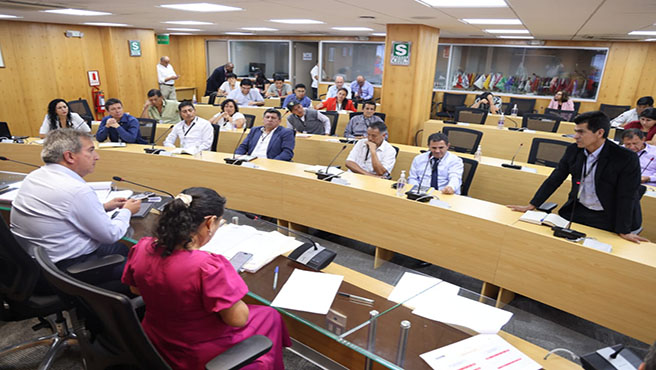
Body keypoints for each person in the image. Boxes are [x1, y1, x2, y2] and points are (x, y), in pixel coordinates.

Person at [121, 187, 291, 370]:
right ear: (209, 222)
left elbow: (135, 289)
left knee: (267, 316)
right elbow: (237, 319)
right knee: (270, 316)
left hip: (155, 341)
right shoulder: (206, 267)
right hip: (197, 354)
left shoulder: (142, 247)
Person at [10, 129, 141, 287]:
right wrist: (127, 211)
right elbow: (111, 234)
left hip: (33, 267)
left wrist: (104, 207)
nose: (97, 157)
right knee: (140, 274)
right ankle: (103, 308)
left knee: (120, 248)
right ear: (69, 156)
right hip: (62, 272)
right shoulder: (76, 190)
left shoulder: (35, 176)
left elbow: (60, 210)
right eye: (91, 151)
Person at [507, 111, 648, 243]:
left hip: (610, 214)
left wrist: (624, 230)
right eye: (576, 131)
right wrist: (532, 205)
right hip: (579, 209)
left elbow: (627, 195)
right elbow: (555, 178)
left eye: (581, 132)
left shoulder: (625, 157)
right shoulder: (574, 150)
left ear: (599, 133)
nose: (575, 136)